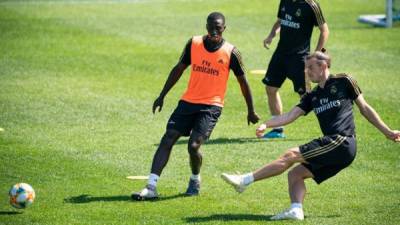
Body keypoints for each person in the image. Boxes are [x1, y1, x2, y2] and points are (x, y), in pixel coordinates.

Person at [221, 51, 400, 220]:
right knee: (295, 174)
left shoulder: (344, 81)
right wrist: (266, 124)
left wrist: (388, 132)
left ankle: (244, 180)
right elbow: (290, 116)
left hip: (342, 141)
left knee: (291, 154)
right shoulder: (312, 96)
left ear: (323, 67)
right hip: (336, 147)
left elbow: (365, 108)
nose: (307, 72)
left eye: (310, 68)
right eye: (306, 68)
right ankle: (296, 210)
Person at [131, 12, 260, 200]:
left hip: (211, 106)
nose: (214, 30)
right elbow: (178, 68)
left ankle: (195, 179)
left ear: (224, 28)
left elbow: (243, 82)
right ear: (206, 26)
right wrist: (162, 95)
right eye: (211, 26)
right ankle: (151, 187)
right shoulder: (194, 44)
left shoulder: (231, 52)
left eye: (218, 27)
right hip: (188, 102)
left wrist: (250, 110)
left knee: (193, 146)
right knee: (168, 138)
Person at [262, 0, 329, 138]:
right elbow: (281, 21)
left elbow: (324, 31)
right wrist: (271, 35)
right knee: (270, 88)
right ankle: (277, 129)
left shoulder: (311, 5)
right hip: (280, 54)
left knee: (307, 98)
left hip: (299, 58)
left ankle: (332, 128)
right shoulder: (285, 1)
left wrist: (316, 55)